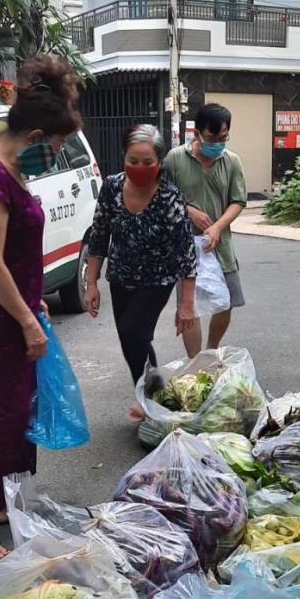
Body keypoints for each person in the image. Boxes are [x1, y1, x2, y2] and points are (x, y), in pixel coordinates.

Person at [0, 55, 81, 562]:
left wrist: (33, 302)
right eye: (58, 145)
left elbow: (14, 254)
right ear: (35, 136)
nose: (58, 154)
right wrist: (26, 319)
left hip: (14, 311)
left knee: (16, 410)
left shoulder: (9, 170)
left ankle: (0, 502)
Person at [84, 124, 196, 421]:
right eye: (133, 161)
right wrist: (90, 282)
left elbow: (186, 251)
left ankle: (150, 397)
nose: (139, 168)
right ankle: (151, 395)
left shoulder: (168, 197)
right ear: (124, 158)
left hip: (157, 279)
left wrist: (186, 304)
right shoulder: (111, 187)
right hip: (120, 277)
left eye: (148, 162)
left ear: (159, 163)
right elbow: (99, 235)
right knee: (130, 341)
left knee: (135, 332)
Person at [165, 103, 247, 359]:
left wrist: (217, 227)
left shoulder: (232, 161)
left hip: (219, 245)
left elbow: (238, 200)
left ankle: (211, 351)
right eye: (213, 138)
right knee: (190, 306)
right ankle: (195, 362)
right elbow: (163, 196)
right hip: (185, 246)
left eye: (223, 138)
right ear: (198, 133)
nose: (218, 143)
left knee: (227, 302)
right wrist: (188, 210)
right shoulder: (176, 158)